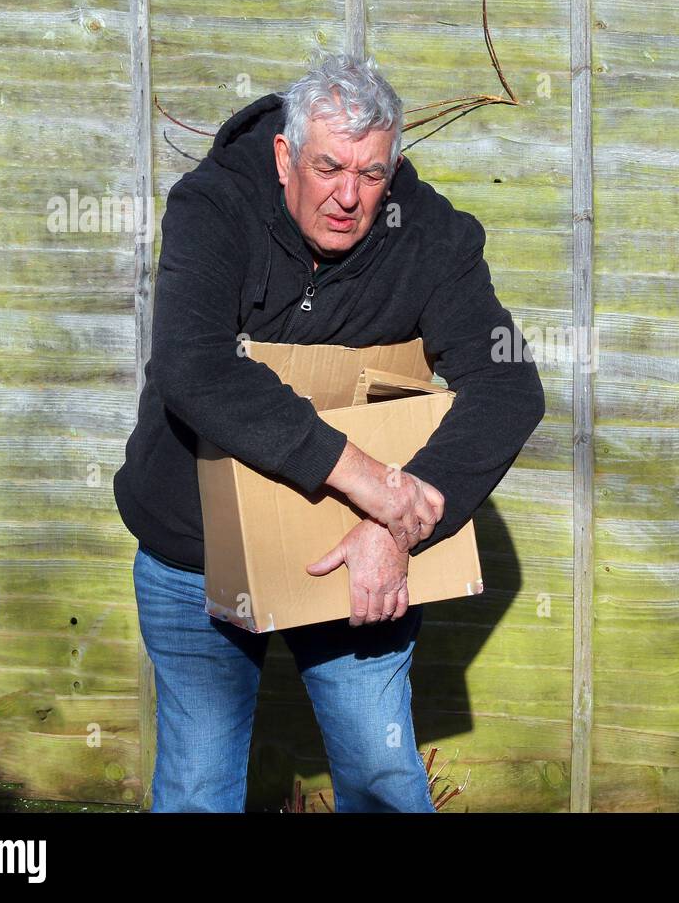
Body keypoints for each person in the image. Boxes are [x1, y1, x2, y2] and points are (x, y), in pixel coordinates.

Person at [113, 52, 546, 812]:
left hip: (363, 557)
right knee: (195, 786)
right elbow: (192, 366)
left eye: (373, 174)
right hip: (193, 546)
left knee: (382, 778)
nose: (349, 196)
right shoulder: (213, 206)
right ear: (285, 155)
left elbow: (508, 384)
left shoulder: (430, 236)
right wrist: (363, 474)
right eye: (329, 167)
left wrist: (398, 520)